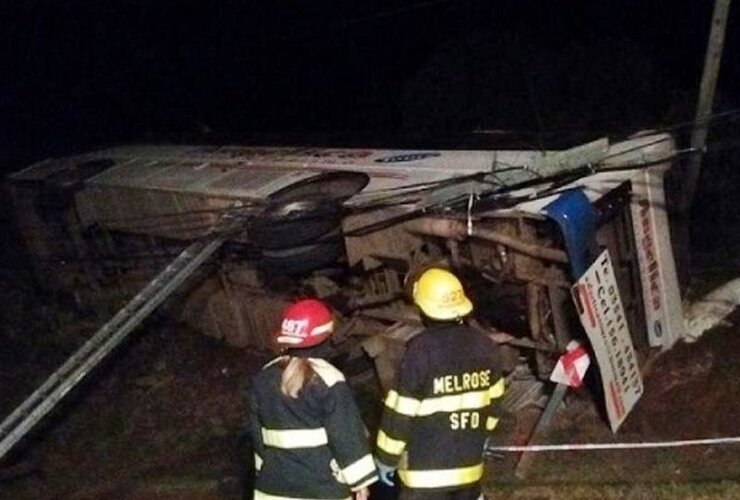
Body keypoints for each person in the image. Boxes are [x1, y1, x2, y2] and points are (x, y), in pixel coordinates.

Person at [374, 268, 504, 500]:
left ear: (423, 308)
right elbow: (495, 403)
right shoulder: (486, 346)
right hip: (469, 471)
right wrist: (485, 435)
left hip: (423, 479)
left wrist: (385, 459)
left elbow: (400, 413)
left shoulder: (419, 351)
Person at [249, 298, 378, 500]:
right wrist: (360, 482)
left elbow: (258, 437)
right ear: (325, 336)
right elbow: (347, 435)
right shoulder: (328, 379)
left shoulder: (263, 377)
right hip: (322, 489)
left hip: (273, 489)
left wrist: (263, 471)